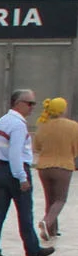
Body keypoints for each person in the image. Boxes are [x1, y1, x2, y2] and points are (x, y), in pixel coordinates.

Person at [0, 88, 52, 256]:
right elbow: (15, 153)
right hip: (14, 170)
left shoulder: (2, 120)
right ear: (18, 103)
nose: (32, 107)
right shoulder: (18, 125)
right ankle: (32, 249)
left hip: (0, 169)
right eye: (29, 103)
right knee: (25, 213)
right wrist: (22, 177)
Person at [36, 97, 77, 241]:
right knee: (60, 199)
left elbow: (37, 146)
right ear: (63, 109)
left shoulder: (43, 125)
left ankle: (52, 230)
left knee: (50, 199)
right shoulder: (73, 126)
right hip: (63, 166)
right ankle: (46, 223)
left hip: (43, 167)